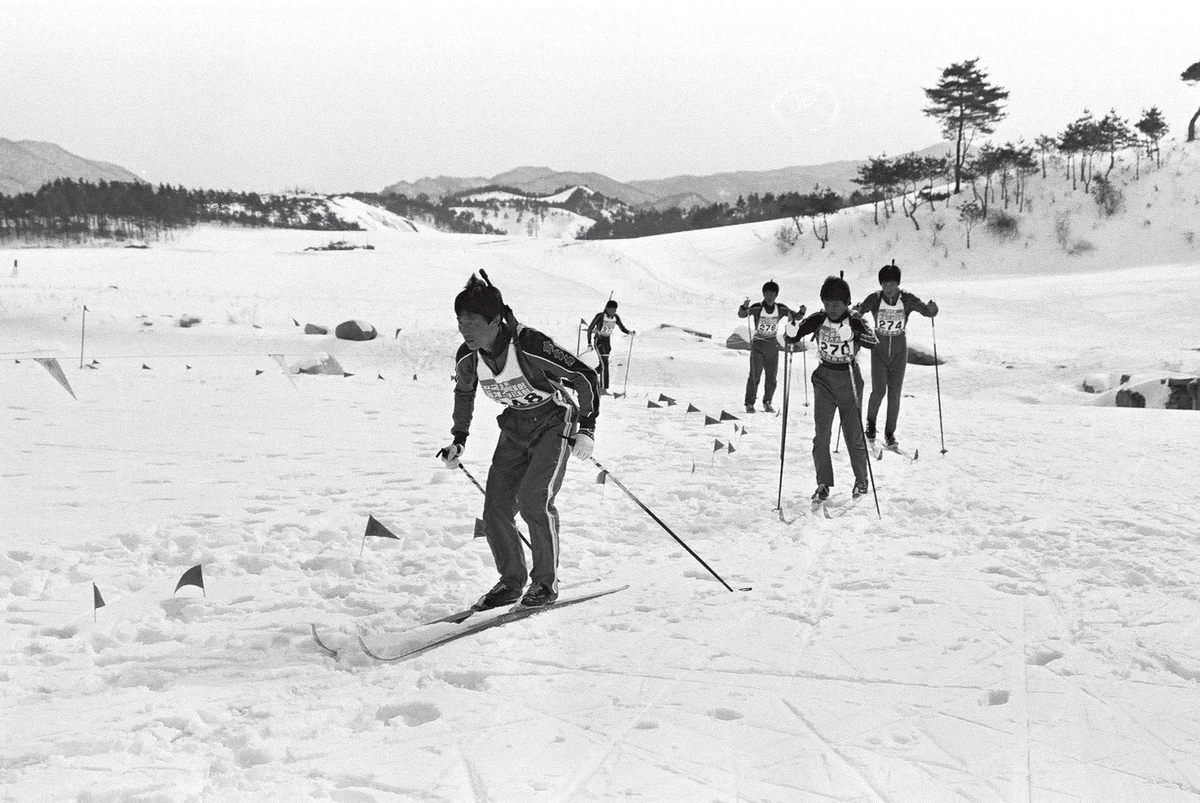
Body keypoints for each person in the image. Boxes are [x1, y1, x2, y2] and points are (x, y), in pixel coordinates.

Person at [439, 272, 601, 609]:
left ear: (496, 321)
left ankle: (545, 584)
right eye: (460, 322)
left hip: (554, 422)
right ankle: (511, 582)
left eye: (473, 323)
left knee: (533, 500)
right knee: (495, 508)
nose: (465, 330)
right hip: (514, 427)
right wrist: (459, 438)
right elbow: (464, 393)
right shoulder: (468, 357)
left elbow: (585, 377)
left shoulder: (529, 345)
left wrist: (587, 427)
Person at [785, 275, 877, 503]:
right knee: (821, 436)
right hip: (824, 380)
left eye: (836, 305)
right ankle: (823, 483)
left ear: (846, 302)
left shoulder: (855, 320)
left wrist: (855, 334)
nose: (831, 309)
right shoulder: (819, 318)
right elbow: (795, 336)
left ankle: (861, 480)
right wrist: (791, 331)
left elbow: (873, 341)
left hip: (849, 381)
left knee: (853, 436)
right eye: (827, 304)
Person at [854, 263, 938, 452]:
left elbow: (926, 311)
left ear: (898, 284)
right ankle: (871, 425)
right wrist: (856, 309)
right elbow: (859, 311)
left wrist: (933, 309)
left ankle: (890, 432)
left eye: (892, 284)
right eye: (885, 285)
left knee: (894, 393)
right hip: (879, 348)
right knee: (878, 391)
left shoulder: (906, 298)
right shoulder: (875, 298)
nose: (888, 289)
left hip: (899, 349)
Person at [737, 281, 799, 413]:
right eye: (767, 293)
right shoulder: (757, 307)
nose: (769, 296)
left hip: (772, 344)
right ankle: (749, 403)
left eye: (772, 294)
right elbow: (742, 315)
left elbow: (795, 316)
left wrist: (802, 312)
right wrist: (744, 307)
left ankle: (767, 402)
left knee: (771, 376)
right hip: (758, 343)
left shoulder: (781, 308)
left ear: (776, 295)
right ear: (763, 294)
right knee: (755, 375)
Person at [585, 300, 634, 393]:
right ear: (607, 308)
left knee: (602, 366)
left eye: (615, 310)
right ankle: (603, 389)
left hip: (607, 342)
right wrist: (589, 343)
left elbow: (622, 328)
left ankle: (587, 377)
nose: (613, 312)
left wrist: (629, 332)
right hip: (599, 341)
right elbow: (590, 328)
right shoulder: (600, 316)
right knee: (605, 365)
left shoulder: (615, 317)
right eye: (611, 310)